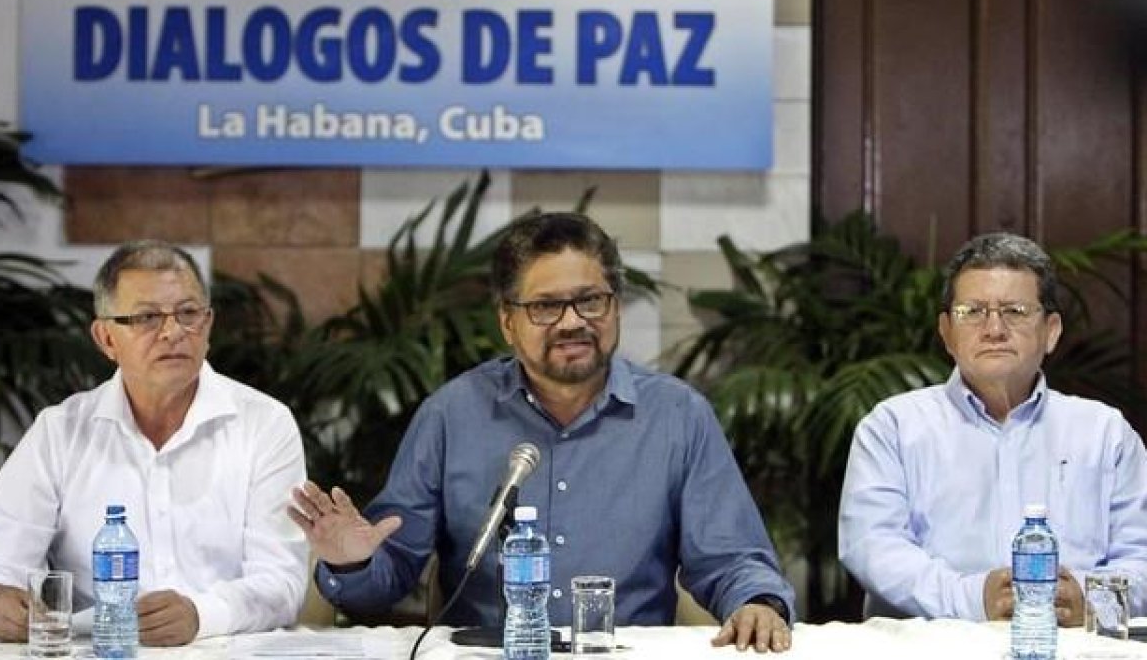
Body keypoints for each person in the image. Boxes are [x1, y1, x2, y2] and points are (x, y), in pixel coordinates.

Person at [289, 212, 795, 653]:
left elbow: (730, 557)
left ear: (615, 306)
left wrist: (757, 602)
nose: (572, 322)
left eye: (590, 300)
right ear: (508, 322)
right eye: (545, 306)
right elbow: (389, 573)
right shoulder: (452, 415)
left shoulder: (678, 416)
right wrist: (353, 563)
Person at [0, 240, 308, 645]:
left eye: (188, 314)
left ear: (208, 325)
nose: (172, 332)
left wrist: (201, 614)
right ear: (106, 338)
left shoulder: (265, 424)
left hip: (221, 650)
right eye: (147, 318)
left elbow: (282, 582)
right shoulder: (59, 432)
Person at [838, 232, 1147, 624]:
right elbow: (872, 546)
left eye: (1015, 311)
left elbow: (1141, 556)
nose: (994, 329)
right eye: (973, 312)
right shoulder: (893, 427)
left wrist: (1087, 598)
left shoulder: (1105, 433)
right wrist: (972, 598)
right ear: (947, 332)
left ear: (1051, 331)